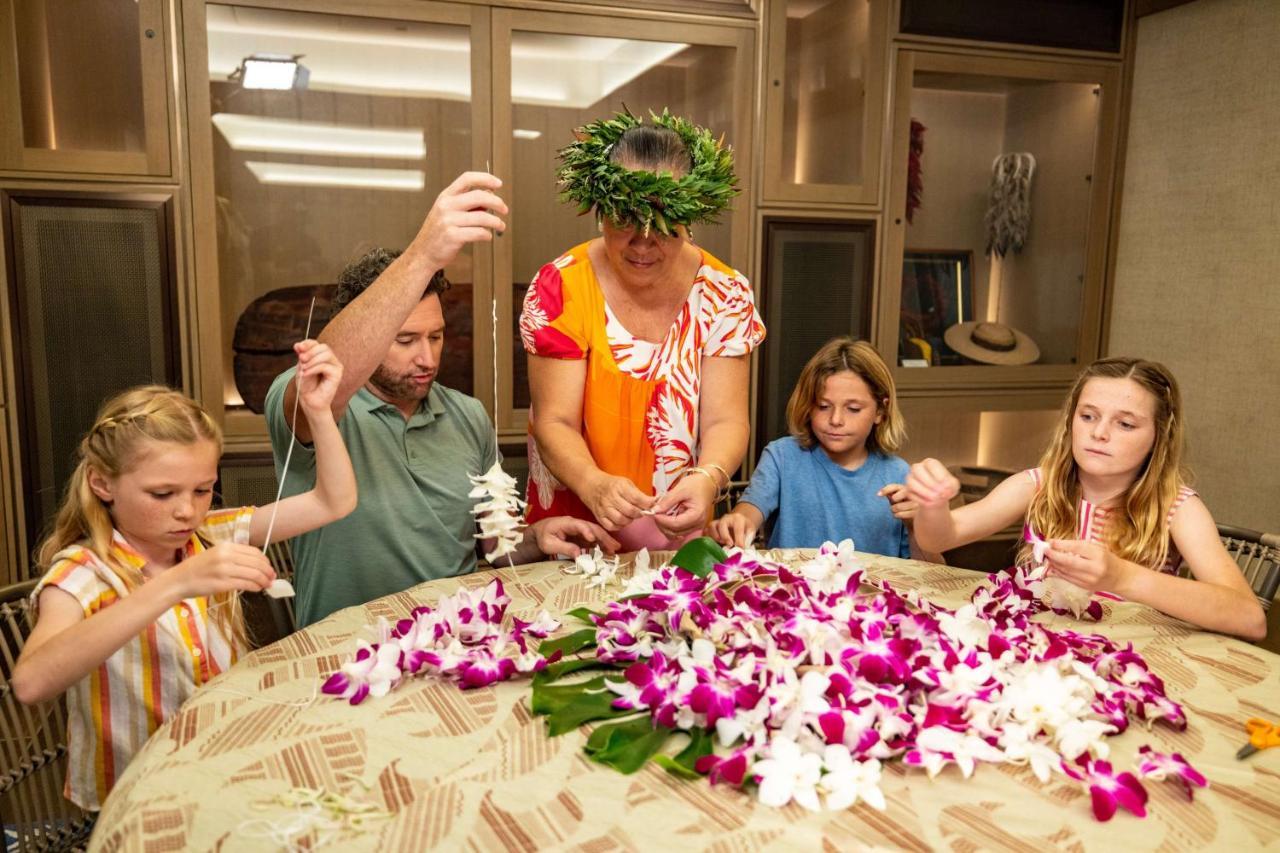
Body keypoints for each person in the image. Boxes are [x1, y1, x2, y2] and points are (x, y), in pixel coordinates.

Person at [11, 342, 356, 810]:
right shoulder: (82, 572)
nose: (186, 511)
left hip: (223, 769)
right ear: (102, 483)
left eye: (202, 490)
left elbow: (333, 501)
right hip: (136, 799)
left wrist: (318, 412)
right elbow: (30, 683)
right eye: (162, 493)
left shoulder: (211, 534)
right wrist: (175, 584)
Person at [266, 173, 618, 628]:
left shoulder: (467, 415)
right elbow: (326, 373)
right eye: (406, 339)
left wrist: (536, 537)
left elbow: (495, 546)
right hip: (347, 651)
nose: (427, 357)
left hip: (457, 641)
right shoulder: (315, 406)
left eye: (436, 336)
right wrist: (424, 254)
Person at [522, 111, 765, 551]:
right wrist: (593, 483)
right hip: (577, 525)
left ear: (691, 214)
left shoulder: (723, 293)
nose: (642, 242)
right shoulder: (561, 288)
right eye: (625, 220)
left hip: (676, 521)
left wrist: (708, 478)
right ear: (600, 211)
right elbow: (554, 420)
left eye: (663, 225)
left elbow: (726, 419)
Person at [904, 356, 1266, 640]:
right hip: (1037, 650)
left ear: (1160, 435)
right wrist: (933, 505)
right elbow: (941, 537)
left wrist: (1121, 577)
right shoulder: (1038, 485)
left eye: (1125, 424)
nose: (1100, 433)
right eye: (1088, 416)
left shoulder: (1179, 507)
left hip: (1131, 660)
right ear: (1070, 421)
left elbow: (1249, 619)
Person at [708, 338, 938, 561]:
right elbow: (749, 512)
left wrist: (917, 524)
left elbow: (933, 574)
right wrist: (737, 522)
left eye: (853, 409)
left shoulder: (899, 474)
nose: (836, 419)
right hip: (794, 597)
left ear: (880, 410)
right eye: (823, 406)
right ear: (808, 406)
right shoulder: (782, 457)